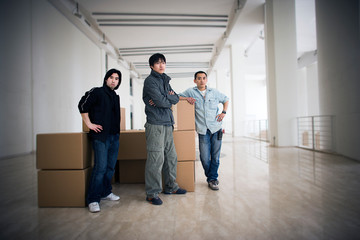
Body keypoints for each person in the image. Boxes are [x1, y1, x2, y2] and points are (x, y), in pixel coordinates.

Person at [142, 53, 186, 205]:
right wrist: (167, 98)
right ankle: (152, 193)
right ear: (151, 66)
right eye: (158, 63)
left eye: (163, 62)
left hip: (167, 123)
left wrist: (167, 97)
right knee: (156, 159)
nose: (161, 65)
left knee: (171, 157)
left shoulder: (165, 80)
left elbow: (175, 98)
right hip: (155, 124)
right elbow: (162, 101)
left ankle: (171, 187)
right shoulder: (150, 81)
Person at [78, 68, 122, 213]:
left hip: (114, 137)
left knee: (110, 168)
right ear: (106, 79)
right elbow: (82, 105)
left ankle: (105, 192)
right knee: (100, 168)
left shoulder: (115, 96)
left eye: (116, 78)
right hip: (101, 137)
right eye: (111, 77)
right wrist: (89, 124)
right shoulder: (97, 92)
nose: (113, 80)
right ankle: (93, 199)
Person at [179, 71, 229, 190]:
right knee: (205, 157)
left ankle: (212, 179)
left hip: (216, 128)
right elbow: (177, 96)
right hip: (202, 130)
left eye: (204, 78)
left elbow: (226, 99)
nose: (202, 80)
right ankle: (211, 176)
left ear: (206, 80)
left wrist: (224, 112)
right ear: (195, 80)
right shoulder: (191, 92)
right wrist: (187, 98)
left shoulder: (214, 92)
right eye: (199, 78)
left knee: (215, 157)